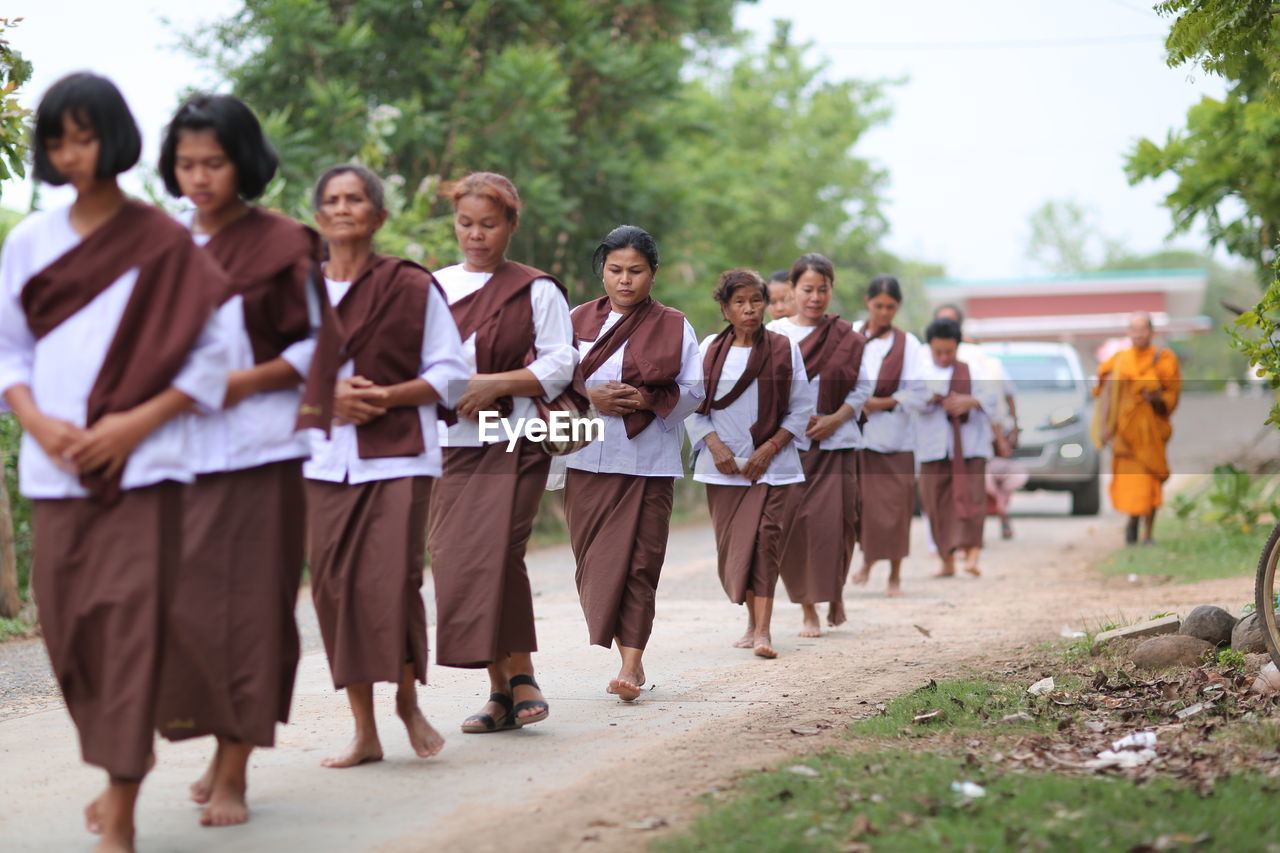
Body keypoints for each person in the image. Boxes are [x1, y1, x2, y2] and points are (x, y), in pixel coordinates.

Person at [0, 72, 230, 853]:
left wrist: (131, 424)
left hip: (146, 466)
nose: (71, 152)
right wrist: (37, 421)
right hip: (53, 468)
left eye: (85, 135)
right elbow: (9, 349)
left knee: (131, 627)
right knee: (67, 633)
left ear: (116, 138)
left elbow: (208, 358)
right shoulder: (30, 239)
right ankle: (124, 751)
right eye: (57, 138)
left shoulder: (164, 240)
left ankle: (122, 797)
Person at [153, 93, 328, 826]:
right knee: (177, 611)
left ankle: (234, 768)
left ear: (244, 163)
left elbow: (317, 344)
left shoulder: (283, 242)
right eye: (186, 163)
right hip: (173, 454)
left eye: (214, 163)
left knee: (251, 609)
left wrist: (233, 385)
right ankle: (204, 738)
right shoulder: (160, 247)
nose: (199, 177)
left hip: (260, 449)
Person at [303, 164, 468, 767]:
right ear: (319, 217)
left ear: (378, 216)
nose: (343, 209)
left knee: (391, 582)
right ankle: (364, 729)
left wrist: (388, 397)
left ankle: (406, 703)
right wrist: (329, 397)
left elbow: (449, 372)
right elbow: (273, 376)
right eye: (332, 200)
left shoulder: (411, 285)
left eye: (355, 200)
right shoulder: (298, 292)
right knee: (332, 590)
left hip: (399, 454)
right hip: (322, 460)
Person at [428, 172, 577, 732]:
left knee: (496, 550)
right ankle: (497, 690)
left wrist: (496, 384)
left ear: (511, 225)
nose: (475, 235)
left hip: (516, 437)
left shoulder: (536, 289)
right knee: (451, 557)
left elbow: (562, 362)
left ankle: (521, 674)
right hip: (451, 441)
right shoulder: (436, 287)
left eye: (489, 224)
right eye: (465, 223)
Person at [561, 225, 702, 700]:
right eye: (615, 270)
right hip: (586, 458)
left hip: (649, 461)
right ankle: (626, 651)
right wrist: (589, 395)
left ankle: (631, 662)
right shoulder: (575, 320)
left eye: (636, 271)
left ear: (653, 273)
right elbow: (549, 386)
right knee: (596, 564)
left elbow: (696, 392)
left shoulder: (674, 324)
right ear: (601, 270)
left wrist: (645, 401)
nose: (625, 281)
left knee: (641, 563)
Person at [686, 269, 814, 659]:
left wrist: (770, 448)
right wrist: (714, 445)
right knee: (736, 548)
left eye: (756, 301)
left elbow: (801, 407)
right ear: (724, 309)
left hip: (773, 466)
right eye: (739, 302)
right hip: (722, 468)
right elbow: (690, 404)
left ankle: (763, 631)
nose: (749, 309)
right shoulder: (709, 348)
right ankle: (749, 622)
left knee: (766, 543)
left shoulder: (784, 347)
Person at [767, 254, 869, 637]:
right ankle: (808, 607)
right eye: (807, 289)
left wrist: (835, 418)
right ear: (792, 290)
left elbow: (863, 387)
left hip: (837, 443)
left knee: (840, 524)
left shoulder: (849, 337)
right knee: (795, 526)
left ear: (832, 291)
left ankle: (835, 592)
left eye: (822, 290)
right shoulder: (774, 334)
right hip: (788, 445)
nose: (815, 297)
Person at [850, 276, 922, 596]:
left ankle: (895, 575)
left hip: (894, 439)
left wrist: (887, 401)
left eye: (890, 307)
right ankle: (866, 559)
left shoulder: (909, 345)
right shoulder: (849, 334)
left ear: (897, 308)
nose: (883, 312)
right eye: (878, 305)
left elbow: (920, 390)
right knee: (859, 506)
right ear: (868, 302)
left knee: (894, 508)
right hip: (853, 436)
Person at [914, 317, 999, 577]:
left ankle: (972, 555)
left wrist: (969, 402)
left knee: (972, 499)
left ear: (957, 346)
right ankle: (946, 561)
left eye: (948, 351)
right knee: (935, 503)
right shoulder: (919, 367)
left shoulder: (975, 364)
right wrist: (933, 399)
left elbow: (992, 396)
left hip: (970, 446)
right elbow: (907, 398)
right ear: (929, 347)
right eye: (938, 351)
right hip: (933, 447)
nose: (943, 356)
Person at [1093, 311, 1181, 545]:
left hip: (1151, 431)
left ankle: (1148, 533)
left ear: (1151, 332)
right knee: (1133, 483)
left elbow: (1171, 397)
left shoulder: (1164, 358)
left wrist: (1156, 399)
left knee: (1151, 481)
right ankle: (1132, 521)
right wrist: (1104, 427)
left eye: (1143, 329)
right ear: (1128, 333)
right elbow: (1107, 395)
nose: (1138, 334)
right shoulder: (1119, 360)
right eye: (1134, 329)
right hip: (1126, 432)